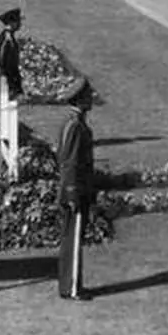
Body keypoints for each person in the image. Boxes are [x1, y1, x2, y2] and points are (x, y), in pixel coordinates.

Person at [56, 76, 96, 301]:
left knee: (74, 238)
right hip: (75, 190)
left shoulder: (74, 123)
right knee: (72, 240)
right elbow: (69, 161)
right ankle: (71, 288)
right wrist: (72, 191)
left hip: (77, 187)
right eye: (88, 96)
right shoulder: (74, 126)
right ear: (80, 100)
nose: (91, 99)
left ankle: (71, 286)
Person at [0, 8, 24, 101]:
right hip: (8, 77)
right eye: (18, 21)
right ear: (12, 23)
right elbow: (2, 58)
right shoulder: (7, 38)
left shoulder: (9, 36)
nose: (20, 24)